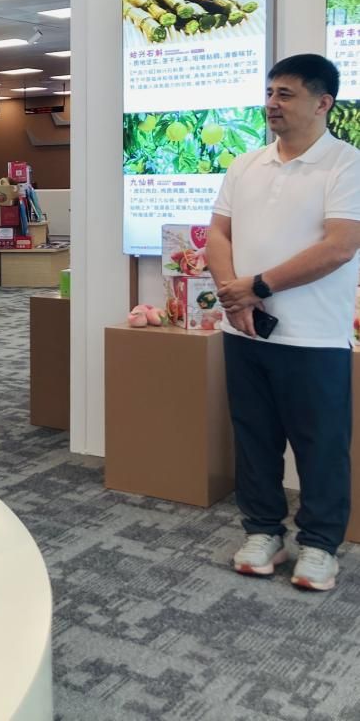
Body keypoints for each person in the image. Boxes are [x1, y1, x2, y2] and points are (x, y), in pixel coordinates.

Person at [208, 54, 360, 592]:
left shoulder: (346, 164)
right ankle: (263, 531)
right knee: (253, 439)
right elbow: (217, 234)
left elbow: (340, 246)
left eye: (286, 94)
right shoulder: (246, 164)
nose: (272, 103)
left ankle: (319, 544)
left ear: (323, 103)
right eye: (270, 92)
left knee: (320, 445)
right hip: (244, 331)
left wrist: (258, 286)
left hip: (314, 338)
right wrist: (235, 298)